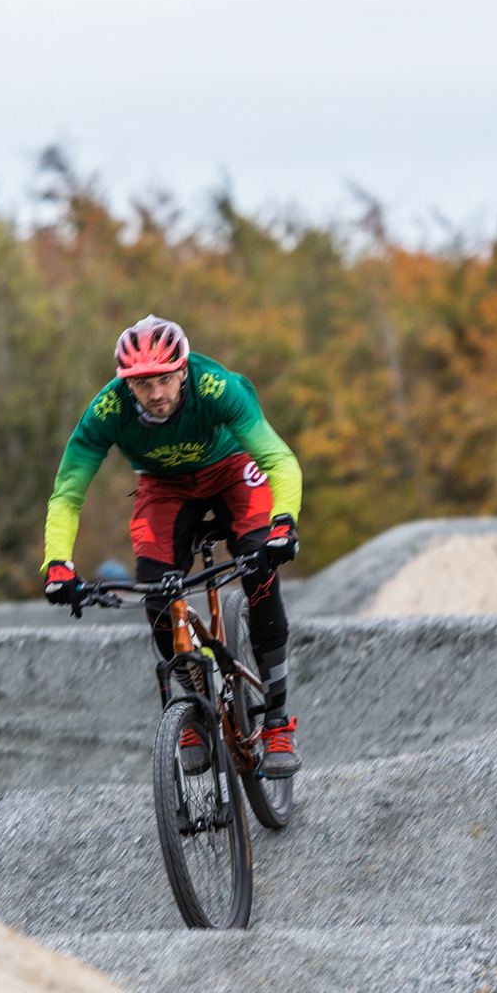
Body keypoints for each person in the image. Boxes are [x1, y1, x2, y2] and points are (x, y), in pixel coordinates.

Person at [40, 314, 305, 778]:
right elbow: (67, 494)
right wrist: (58, 564)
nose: (156, 393)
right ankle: (195, 702)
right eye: (142, 384)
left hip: (232, 470)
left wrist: (284, 524)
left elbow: (278, 459)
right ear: (126, 383)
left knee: (260, 570)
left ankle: (278, 722)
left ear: (183, 370)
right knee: (156, 595)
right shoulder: (106, 411)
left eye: (165, 379)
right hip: (164, 488)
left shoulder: (218, 388)